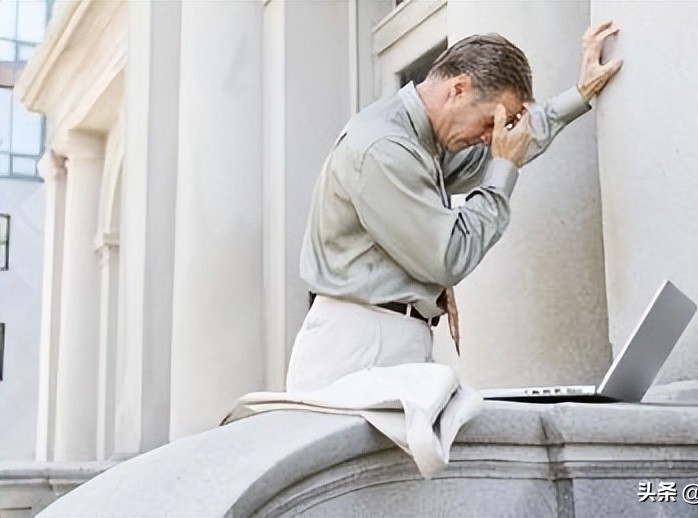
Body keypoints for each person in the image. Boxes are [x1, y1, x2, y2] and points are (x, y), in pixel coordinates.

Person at [226, 22, 622, 478]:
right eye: (491, 119)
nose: (490, 135)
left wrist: (579, 94)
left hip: (388, 337)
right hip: (357, 346)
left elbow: (500, 148)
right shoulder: (384, 148)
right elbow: (450, 255)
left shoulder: (423, 138)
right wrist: (501, 172)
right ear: (458, 88)